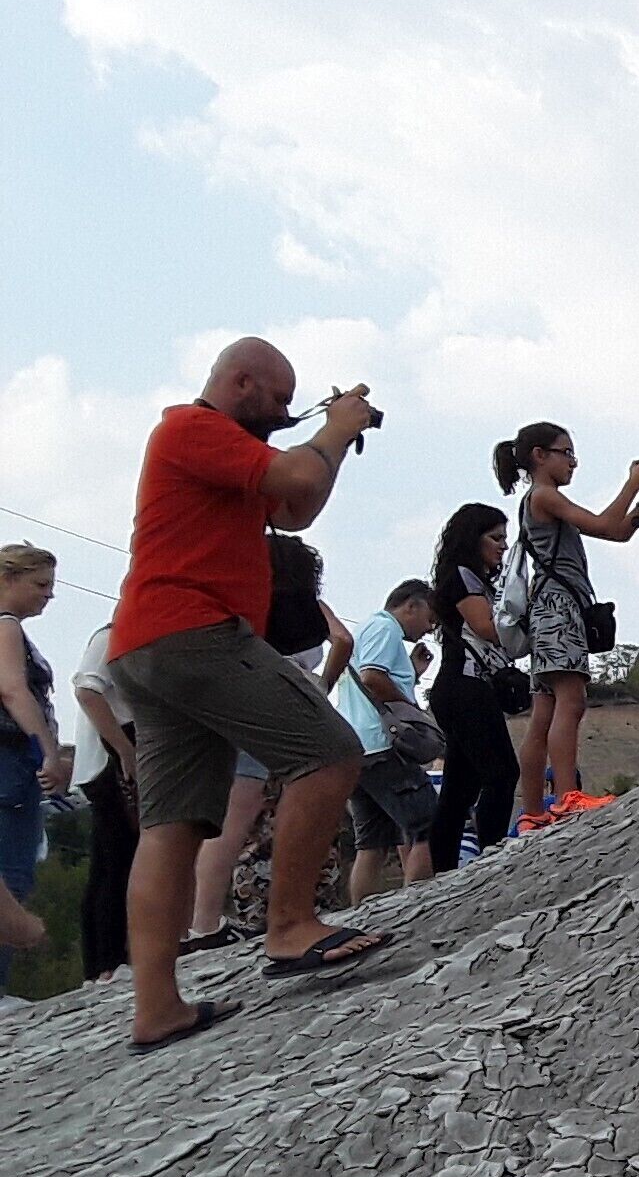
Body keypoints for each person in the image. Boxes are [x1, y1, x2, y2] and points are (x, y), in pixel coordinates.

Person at [106, 336, 386, 1052]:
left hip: (145, 646)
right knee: (328, 754)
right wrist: (337, 424)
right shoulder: (190, 427)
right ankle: (290, 928)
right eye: (279, 401)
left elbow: (297, 510)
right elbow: (295, 474)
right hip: (194, 631)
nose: (285, 415)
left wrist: (334, 443)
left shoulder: (216, 451)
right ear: (241, 383)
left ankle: (155, 1009)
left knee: (172, 827)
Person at [495, 420, 639, 833]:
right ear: (540, 456)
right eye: (566, 453)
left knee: (545, 709)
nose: (572, 462)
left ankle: (534, 811)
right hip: (558, 606)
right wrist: (631, 483)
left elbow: (619, 532)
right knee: (570, 700)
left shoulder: (541, 501)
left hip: (546, 607)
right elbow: (605, 524)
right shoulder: (545, 497)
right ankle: (568, 796)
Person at [193, 537, 351, 946]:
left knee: (234, 817)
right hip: (278, 704)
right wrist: (320, 687)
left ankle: (203, 919)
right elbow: (342, 640)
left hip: (238, 697)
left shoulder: (242, 597)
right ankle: (215, 921)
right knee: (248, 813)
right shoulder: (302, 604)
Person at [426, 504, 522, 867]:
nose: (502, 546)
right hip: (466, 685)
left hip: (457, 687)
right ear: (473, 539)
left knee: (459, 788)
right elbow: (486, 628)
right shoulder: (465, 578)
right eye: (495, 538)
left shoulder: (467, 579)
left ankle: (447, 869)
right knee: (500, 773)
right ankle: (490, 857)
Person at [0, 544, 76, 996]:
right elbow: (12, 689)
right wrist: (48, 750)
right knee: (12, 871)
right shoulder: (7, 627)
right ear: (9, 580)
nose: (48, 596)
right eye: (40, 585)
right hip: (10, 760)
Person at [337, 578, 441, 901]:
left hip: (356, 749)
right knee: (430, 824)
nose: (429, 627)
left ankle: (361, 912)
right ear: (411, 605)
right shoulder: (386, 629)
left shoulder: (366, 629)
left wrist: (411, 672)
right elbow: (372, 677)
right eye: (430, 617)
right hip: (383, 746)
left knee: (372, 844)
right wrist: (411, 710)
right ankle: (417, 904)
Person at [71, 611, 142, 983]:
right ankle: (105, 962)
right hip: (108, 761)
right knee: (114, 862)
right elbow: (86, 689)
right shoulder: (110, 636)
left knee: (119, 861)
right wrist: (124, 750)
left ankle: (110, 958)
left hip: (115, 754)